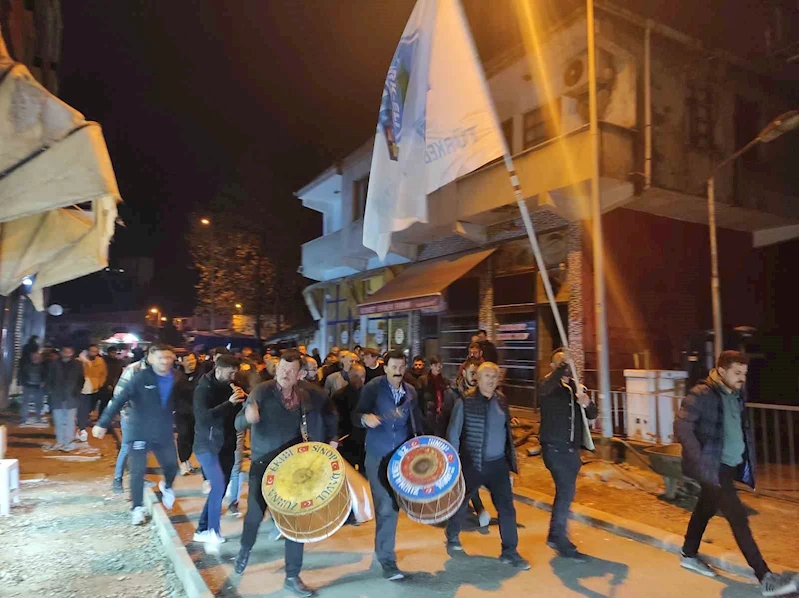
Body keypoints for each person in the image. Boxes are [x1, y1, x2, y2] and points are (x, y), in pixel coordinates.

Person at [675, 351, 796, 597]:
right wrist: (701, 461)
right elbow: (682, 427)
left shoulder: (737, 394)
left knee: (705, 507)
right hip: (713, 467)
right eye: (737, 373)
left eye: (745, 373)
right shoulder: (702, 394)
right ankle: (765, 577)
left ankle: (688, 553)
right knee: (738, 517)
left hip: (729, 465)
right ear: (721, 371)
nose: (742, 378)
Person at [233, 350, 337, 597]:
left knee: (295, 520)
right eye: (281, 369)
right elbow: (238, 422)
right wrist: (247, 417)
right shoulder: (262, 391)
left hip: (293, 466)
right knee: (255, 514)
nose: (284, 374)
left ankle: (292, 575)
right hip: (263, 464)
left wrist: (332, 438)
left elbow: (330, 411)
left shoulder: (308, 394)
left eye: (290, 371)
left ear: (300, 374)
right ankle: (245, 549)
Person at [444, 362, 529, 570]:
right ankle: (452, 535)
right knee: (460, 502)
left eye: (494, 376)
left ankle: (510, 551)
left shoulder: (501, 400)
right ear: (478, 379)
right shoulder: (465, 402)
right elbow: (453, 434)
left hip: (498, 465)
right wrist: (453, 466)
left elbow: (506, 432)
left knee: (506, 508)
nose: (491, 380)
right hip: (473, 463)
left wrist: (511, 460)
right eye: (487, 376)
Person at [93, 344, 183, 526]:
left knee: (172, 466)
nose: (165, 361)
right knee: (137, 470)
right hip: (139, 429)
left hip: (163, 431)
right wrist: (102, 423)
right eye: (160, 358)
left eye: (168, 358)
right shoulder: (140, 376)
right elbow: (119, 399)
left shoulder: (177, 378)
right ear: (151, 358)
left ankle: (167, 486)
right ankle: (137, 508)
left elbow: (187, 401)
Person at [355, 350, 425, 582]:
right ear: (384, 368)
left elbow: (417, 422)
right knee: (386, 506)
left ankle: (383, 549)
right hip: (377, 455)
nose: (398, 371)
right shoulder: (373, 388)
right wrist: (365, 419)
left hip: (401, 458)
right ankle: (387, 559)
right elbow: (355, 415)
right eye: (393, 367)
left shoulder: (411, 391)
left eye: (401, 367)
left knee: (394, 506)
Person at [538, 349, 597, 560]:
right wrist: (565, 363)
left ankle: (555, 534)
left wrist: (586, 402)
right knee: (565, 491)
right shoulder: (548, 386)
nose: (565, 366)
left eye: (567, 363)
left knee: (566, 493)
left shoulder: (576, 387)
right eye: (560, 363)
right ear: (553, 366)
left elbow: (593, 413)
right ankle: (558, 537)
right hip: (554, 449)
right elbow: (545, 390)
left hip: (572, 450)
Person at [192, 355, 245, 547]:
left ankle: (202, 529)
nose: (233, 377)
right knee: (218, 485)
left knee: (220, 487)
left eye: (235, 373)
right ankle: (213, 530)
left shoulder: (232, 385)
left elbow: (235, 415)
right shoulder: (203, 389)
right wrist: (229, 403)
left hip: (227, 444)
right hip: (207, 445)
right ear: (219, 369)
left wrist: (243, 401)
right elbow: (203, 418)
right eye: (230, 373)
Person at [45, 346, 84, 451]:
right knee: (58, 421)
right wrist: (50, 392)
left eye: (69, 352)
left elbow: (81, 379)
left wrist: (77, 391)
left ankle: (69, 443)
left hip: (71, 396)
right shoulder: (54, 364)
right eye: (65, 352)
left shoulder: (78, 364)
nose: (67, 354)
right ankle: (60, 441)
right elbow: (49, 379)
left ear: (72, 353)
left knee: (70, 421)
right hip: (57, 396)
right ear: (61, 353)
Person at [332, 362, 367, 471]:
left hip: (365, 438)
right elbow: (335, 419)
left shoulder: (370, 394)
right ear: (350, 376)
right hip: (347, 438)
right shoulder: (339, 395)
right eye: (356, 376)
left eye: (362, 376)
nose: (360, 380)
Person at [176, 353, 202, 476]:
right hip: (182, 413)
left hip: (198, 412)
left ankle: (188, 460)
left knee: (193, 437)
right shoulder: (177, 376)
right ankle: (184, 462)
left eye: (193, 359)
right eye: (188, 360)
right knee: (183, 435)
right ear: (182, 362)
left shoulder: (201, 375)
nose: (191, 362)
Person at [79, 344, 107, 442]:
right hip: (83, 387)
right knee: (83, 407)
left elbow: (103, 373)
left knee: (90, 406)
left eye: (95, 351)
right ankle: (81, 425)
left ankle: (82, 422)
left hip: (95, 387)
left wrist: (100, 383)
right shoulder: (82, 360)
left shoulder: (100, 361)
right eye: (92, 351)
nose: (93, 353)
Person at [19, 350, 47, 426]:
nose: (36, 358)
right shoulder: (26, 365)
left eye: (38, 357)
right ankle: (24, 418)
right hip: (28, 385)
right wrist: (23, 383)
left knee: (39, 403)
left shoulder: (43, 366)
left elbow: (45, 375)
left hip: (38, 386)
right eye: (34, 357)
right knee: (25, 402)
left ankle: (38, 417)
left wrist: (43, 382)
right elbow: (22, 374)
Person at [103, 347, 124, 415]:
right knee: (104, 403)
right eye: (112, 352)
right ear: (108, 353)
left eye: (115, 353)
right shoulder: (104, 361)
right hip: (105, 385)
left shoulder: (118, 362)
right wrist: (107, 384)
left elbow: (119, 373)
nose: (114, 354)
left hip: (115, 384)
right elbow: (103, 374)